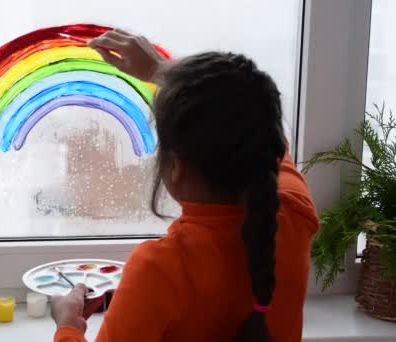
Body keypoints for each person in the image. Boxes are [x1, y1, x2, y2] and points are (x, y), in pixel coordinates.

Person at [50, 29, 319, 342]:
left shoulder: (159, 269)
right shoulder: (293, 217)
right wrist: (167, 75)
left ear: (175, 166)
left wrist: (68, 326)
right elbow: (261, 134)